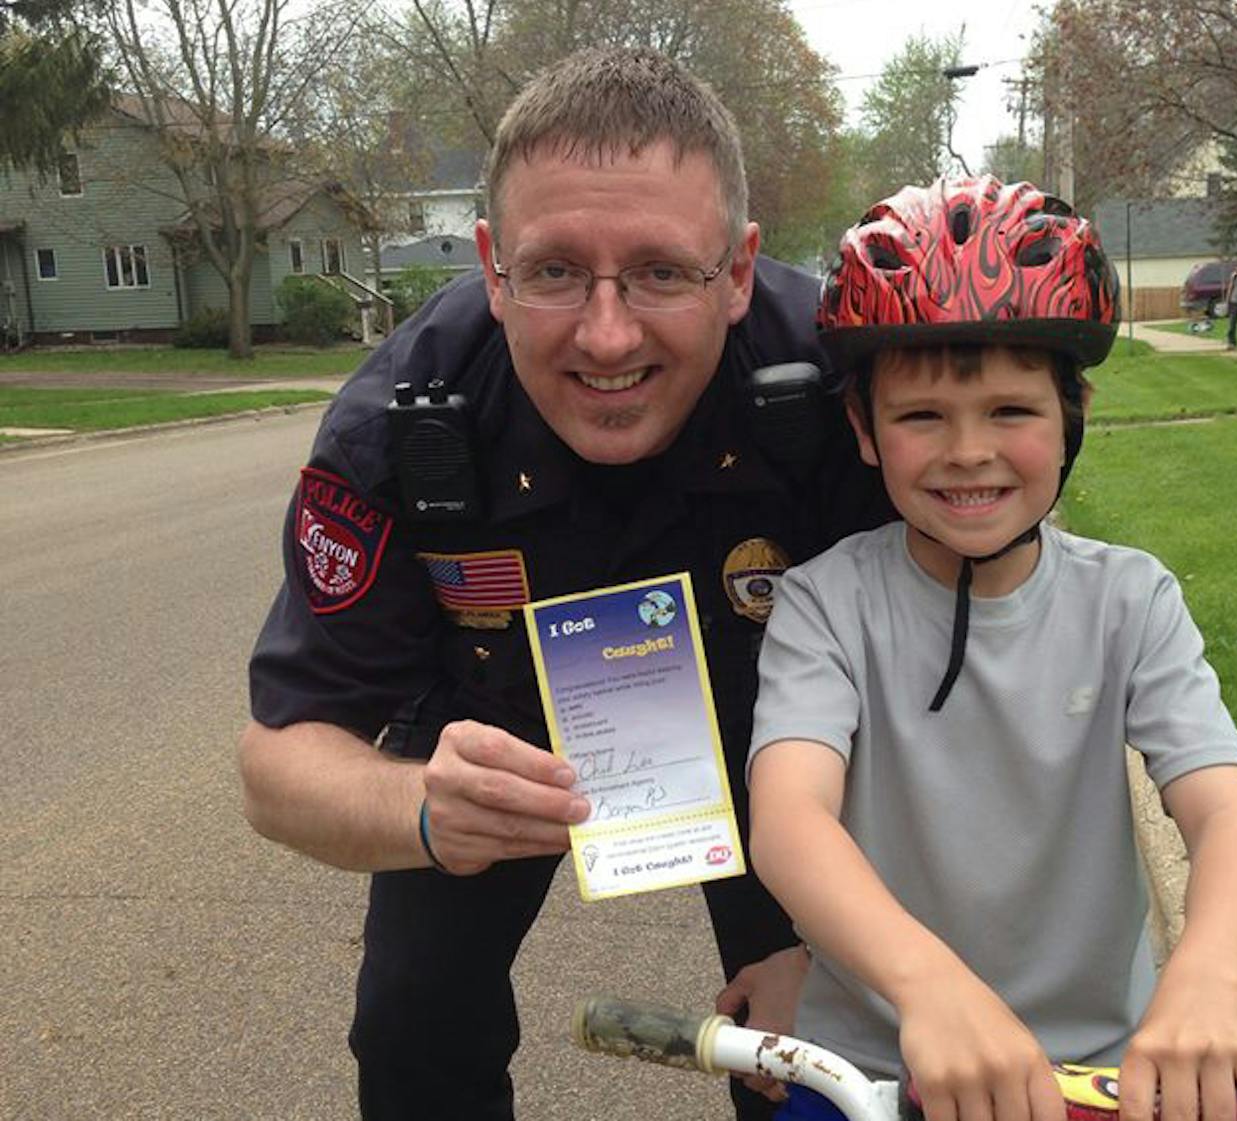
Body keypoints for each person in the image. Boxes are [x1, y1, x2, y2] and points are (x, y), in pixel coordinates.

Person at [238, 46, 889, 1121]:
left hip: (783, 740)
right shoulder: (396, 427)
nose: (605, 334)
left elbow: (954, 669)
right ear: (491, 267)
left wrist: (825, 943)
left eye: (659, 271)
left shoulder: (833, 390)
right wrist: (425, 807)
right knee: (408, 1022)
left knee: (826, 1051)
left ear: (737, 271)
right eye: (551, 273)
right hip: (496, 729)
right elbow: (275, 762)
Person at [745, 177, 1237, 1121]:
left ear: (1071, 413)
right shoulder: (824, 603)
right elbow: (791, 820)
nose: (967, 450)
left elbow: (1233, 818)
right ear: (862, 431)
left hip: (1095, 1074)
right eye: (921, 417)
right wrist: (929, 989)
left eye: (1010, 411)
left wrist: (1206, 982)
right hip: (878, 1068)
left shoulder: (1131, 599)